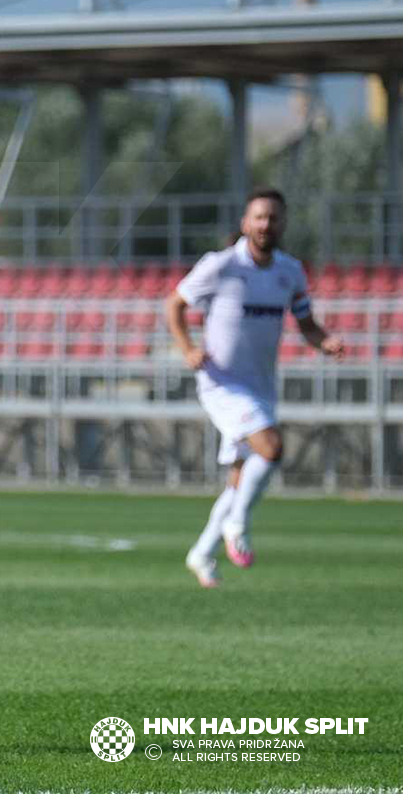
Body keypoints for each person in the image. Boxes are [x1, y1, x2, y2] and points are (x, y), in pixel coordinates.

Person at [165, 188, 343, 589]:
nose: (266, 224)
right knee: (272, 448)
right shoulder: (221, 265)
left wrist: (325, 341)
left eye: (273, 218)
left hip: (261, 386)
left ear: (283, 224)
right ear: (245, 223)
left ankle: (202, 552)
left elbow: (306, 323)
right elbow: (173, 304)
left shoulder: (290, 271)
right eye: (259, 217)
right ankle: (237, 526)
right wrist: (188, 348)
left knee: (242, 475)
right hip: (221, 383)